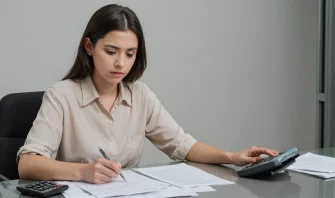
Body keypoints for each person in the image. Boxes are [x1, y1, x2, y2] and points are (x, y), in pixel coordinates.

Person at [17, 4, 278, 184]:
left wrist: (233, 157)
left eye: (130, 54)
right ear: (89, 47)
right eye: (111, 51)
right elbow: (27, 164)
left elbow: (182, 145)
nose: (121, 63)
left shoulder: (140, 95)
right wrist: (83, 172)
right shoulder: (61, 95)